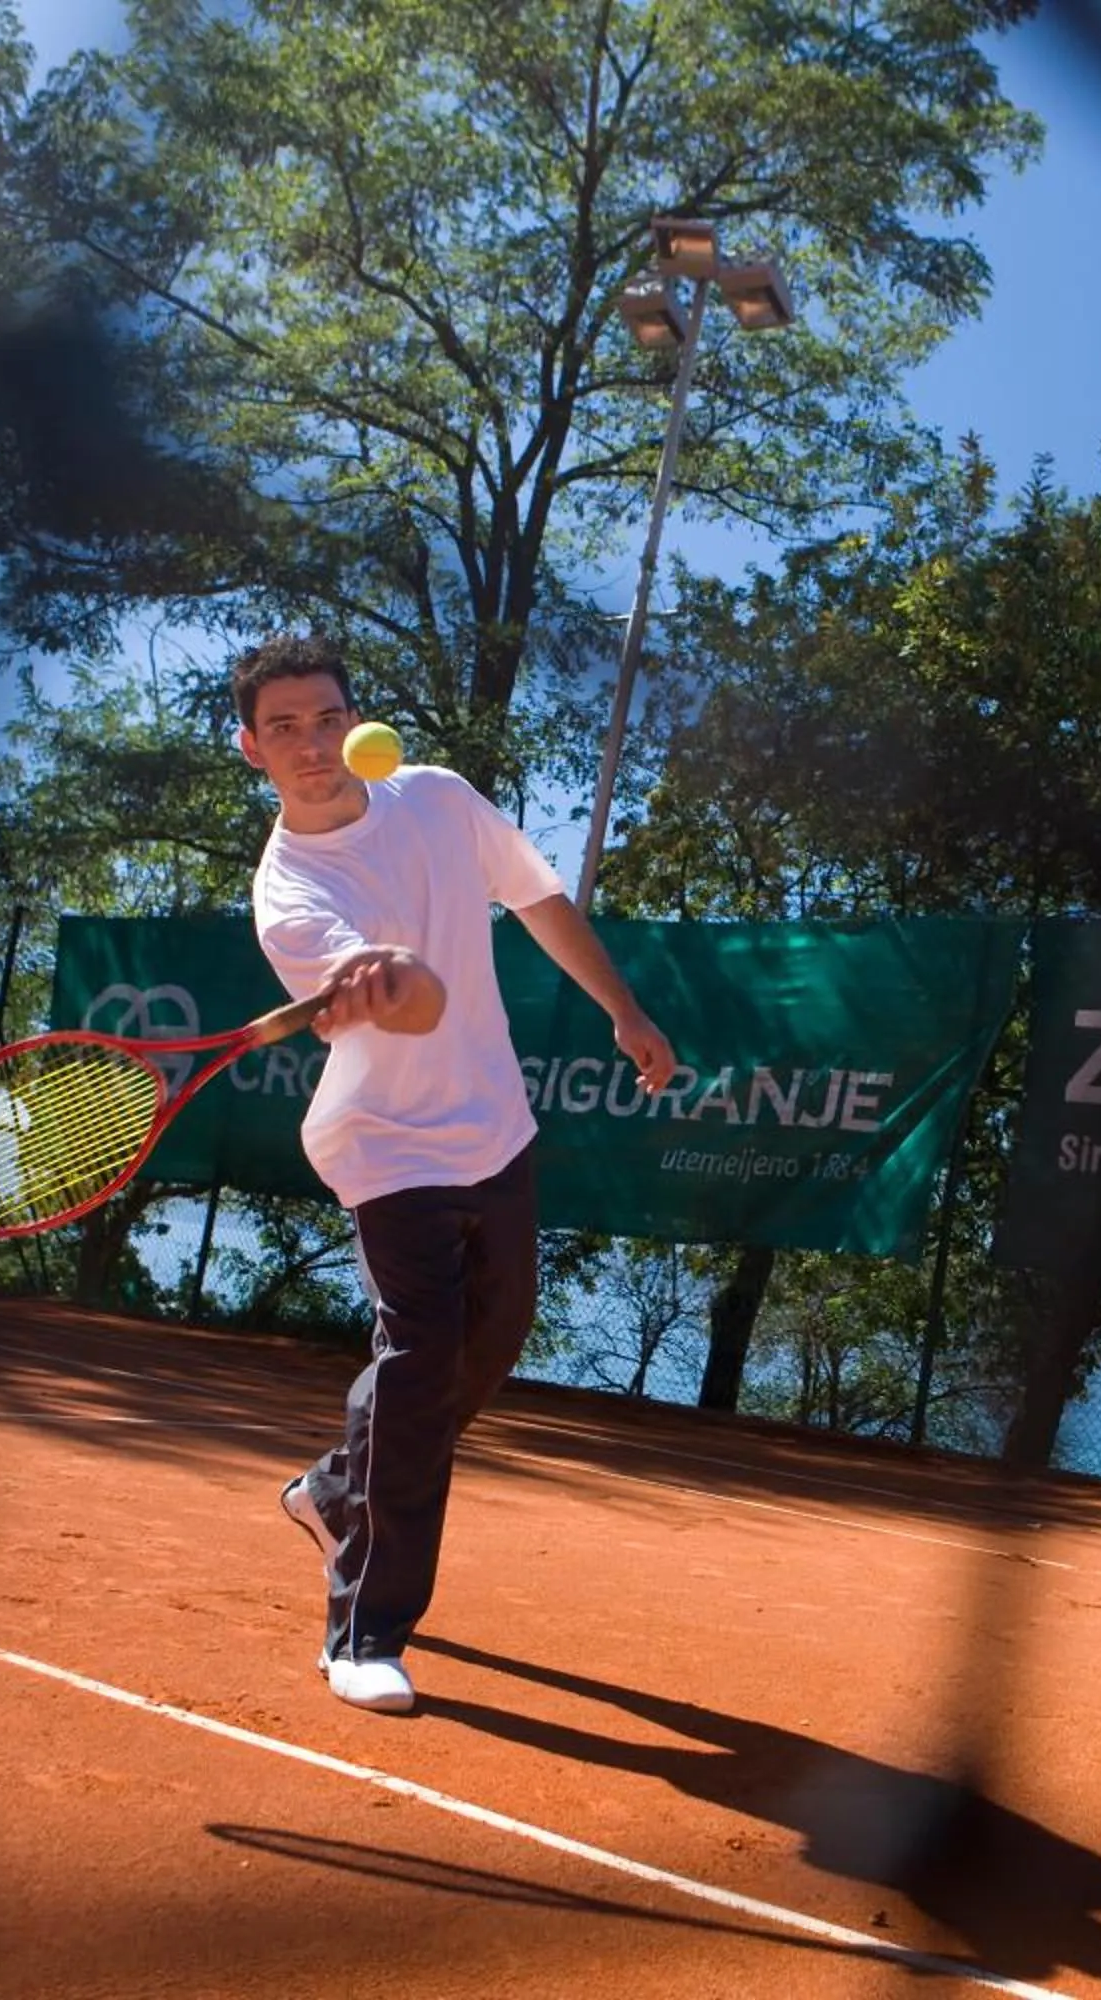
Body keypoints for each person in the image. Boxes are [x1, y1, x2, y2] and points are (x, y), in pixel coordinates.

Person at [231, 632, 676, 1713]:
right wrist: (397, 973)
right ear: (251, 749)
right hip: (385, 1144)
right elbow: (419, 1008)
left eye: (326, 716)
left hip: (493, 1122)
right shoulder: (289, 891)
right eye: (282, 726)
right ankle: (363, 1629)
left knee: (489, 1348)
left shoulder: (436, 797)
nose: (311, 742)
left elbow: (535, 897)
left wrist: (624, 1008)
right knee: (421, 1362)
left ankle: (336, 1490)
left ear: (353, 720)